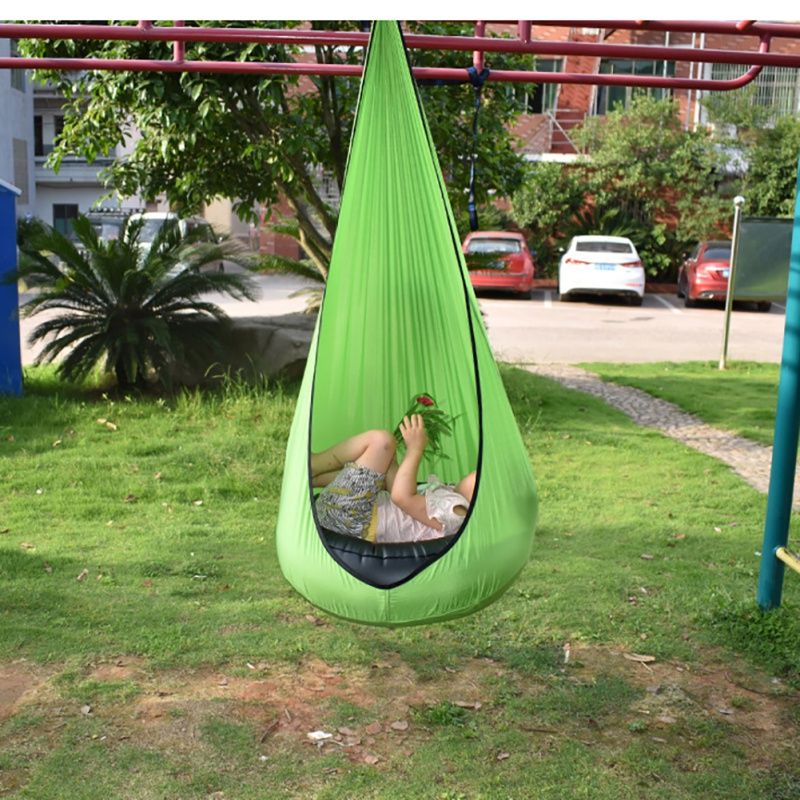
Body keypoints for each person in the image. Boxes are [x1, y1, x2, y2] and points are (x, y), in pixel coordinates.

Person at [312, 414, 476, 545]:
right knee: (384, 459)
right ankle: (314, 479)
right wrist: (391, 462)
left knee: (381, 441)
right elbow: (395, 496)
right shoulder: (452, 495)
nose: (475, 473)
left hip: (350, 520)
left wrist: (415, 449)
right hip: (351, 513)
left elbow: (401, 498)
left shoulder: (457, 515)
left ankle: (314, 465)